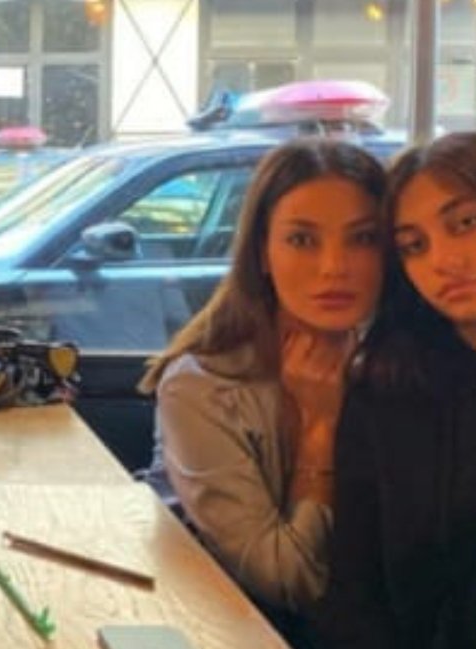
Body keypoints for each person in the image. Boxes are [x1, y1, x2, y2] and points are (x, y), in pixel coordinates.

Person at [137, 139, 386, 626]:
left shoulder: (400, 367)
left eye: (362, 238)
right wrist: (318, 428)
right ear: (263, 254)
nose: (334, 267)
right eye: (302, 240)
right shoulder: (202, 388)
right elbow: (289, 581)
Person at [320, 132, 476, 648]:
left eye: (467, 223)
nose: (443, 260)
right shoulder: (390, 393)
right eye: (414, 246)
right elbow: (357, 597)